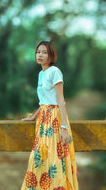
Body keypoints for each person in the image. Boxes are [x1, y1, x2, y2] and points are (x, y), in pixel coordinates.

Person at [20, 40, 79, 190]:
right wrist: (33, 116)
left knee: (54, 159)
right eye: (38, 52)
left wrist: (64, 128)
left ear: (51, 56)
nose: (40, 55)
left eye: (44, 52)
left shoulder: (55, 71)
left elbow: (60, 100)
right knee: (40, 157)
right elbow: (44, 101)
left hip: (54, 119)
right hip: (43, 120)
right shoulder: (41, 74)